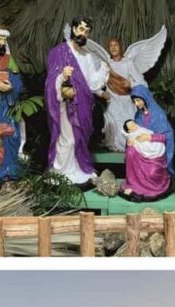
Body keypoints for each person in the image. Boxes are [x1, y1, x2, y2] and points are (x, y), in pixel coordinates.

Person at [44, 16, 110, 187]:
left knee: (80, 138)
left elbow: (91, 83)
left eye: (87, 32)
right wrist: (63, 76)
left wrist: (103, 70)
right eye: (81, 29)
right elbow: (51, 80)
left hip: (84, 103)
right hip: (66, 103)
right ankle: (60, 170)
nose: (84, 34)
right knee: (67, 139)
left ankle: (75, 168)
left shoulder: (87, 56)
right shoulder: (59, 52)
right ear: (73, 29)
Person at [79, 28, 167, 152]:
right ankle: (115, 147)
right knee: (114, 125)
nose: (113, 47)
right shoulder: (106, 65)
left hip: (128, 100)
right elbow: (95, 83)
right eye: (111, 46)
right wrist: (101, 93)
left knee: (129, 122)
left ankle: (129, 147)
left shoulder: (128, 63)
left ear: (120, 47)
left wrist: (130, 84)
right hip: (112, 101)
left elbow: (141, 82)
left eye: (116, 45)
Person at [0, 25, 24, 180]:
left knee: (12, 135)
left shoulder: (9, 60)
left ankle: (10, 167)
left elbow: (18, 80)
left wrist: (12, 86)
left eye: (2, 40)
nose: (0, 43)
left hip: (8, 104)